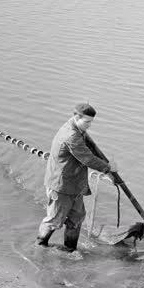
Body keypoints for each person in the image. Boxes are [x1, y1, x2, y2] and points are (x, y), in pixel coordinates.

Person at [37, 103, 119, 252]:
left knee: (77, 218)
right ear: (76, 117)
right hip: (60, 185)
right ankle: (40, 246)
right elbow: (88, 158)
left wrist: (107, 169)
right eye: (87, 122)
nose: (89, 126)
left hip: (75, 184)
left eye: (91, 122)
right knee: (54, 220)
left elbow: (90, 151)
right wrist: (108, 168)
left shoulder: (78, 129)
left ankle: (70, 250)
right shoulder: (71, 135)